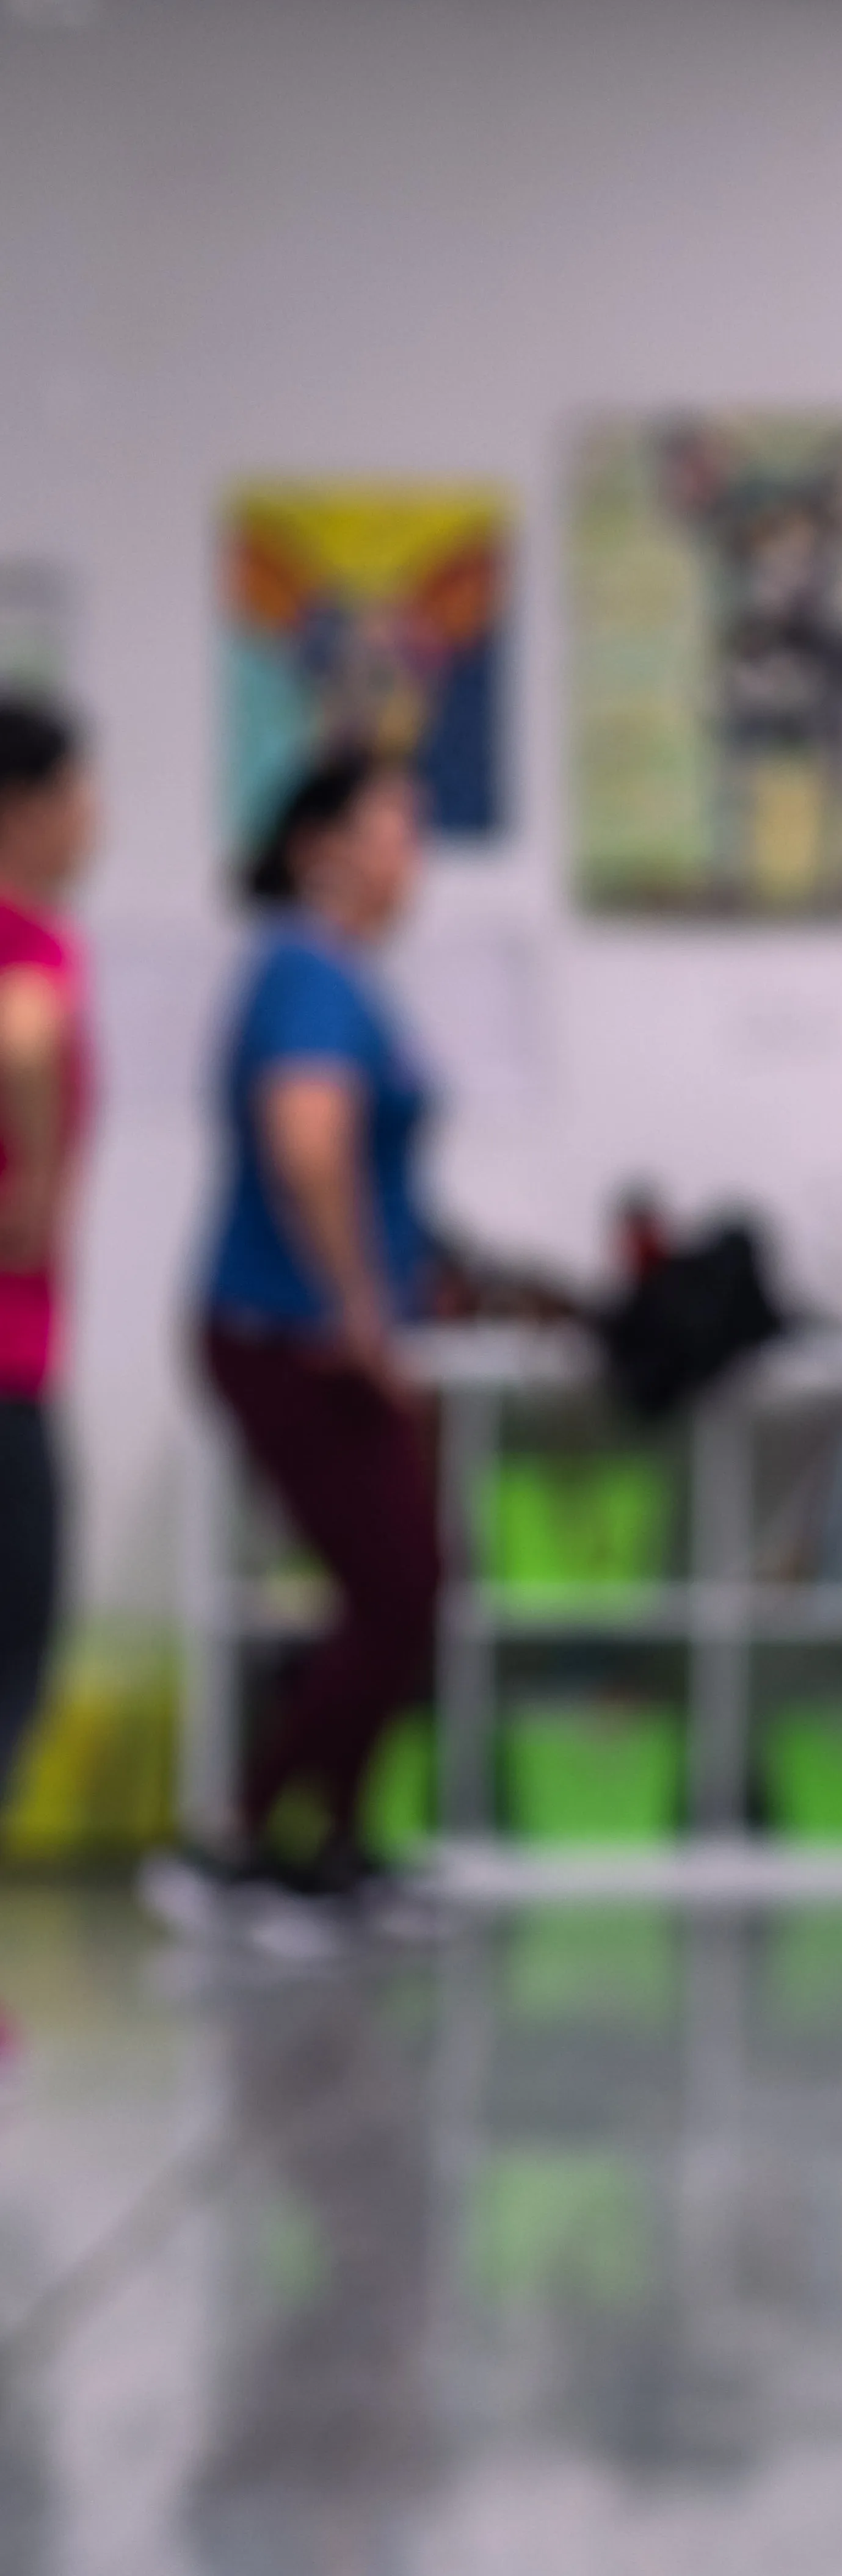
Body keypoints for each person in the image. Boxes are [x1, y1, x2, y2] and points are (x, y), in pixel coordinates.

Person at [153, 745, 444, 1924]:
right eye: (394, 829)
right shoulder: (312, 972)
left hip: (298, 1323)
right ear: (322, 848)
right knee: (400, 1583)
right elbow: (308, 1148)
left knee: (398, 1588)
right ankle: (237, 1839)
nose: (410, 856)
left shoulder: (328, 972)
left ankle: (329, 1842)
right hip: (291, 1330)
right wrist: (360, 1312)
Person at [0, 696, 94, 1856]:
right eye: (80, 795)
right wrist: (34, 1186)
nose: (92, 820)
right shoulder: (32, 947)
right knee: (15, 1647)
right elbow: (25, 1034)